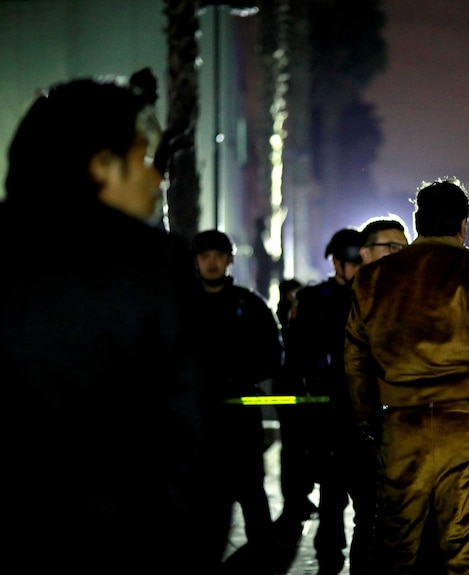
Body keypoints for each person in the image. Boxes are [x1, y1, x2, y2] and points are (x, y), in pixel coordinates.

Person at [1, 76, 218, 573]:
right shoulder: (153, 266)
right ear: (101, 167)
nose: (157, 177)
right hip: (126, 546)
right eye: (143, 158)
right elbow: (193, 445)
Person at [344, 178, 469, 574]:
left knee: (395, 543)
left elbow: (356, 358)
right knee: (463, 543)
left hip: (400, 420)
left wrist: (368, 419)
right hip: (466, 424)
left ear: (417, 222)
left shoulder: (373, 279)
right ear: (463, 224)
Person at [190, 229, 285, 572]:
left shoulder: (250, 304)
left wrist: (239, 377)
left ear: (229, 259)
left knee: (252, 496)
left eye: (218, 255)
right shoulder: (182, 304)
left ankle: (263, 561)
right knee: (201, 503)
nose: (212, 263)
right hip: (197, 420)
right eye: (205, 256)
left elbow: (274, 355)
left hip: (240, 419)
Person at [275, 227, 366, 575]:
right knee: (331, 496)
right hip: (327, 413)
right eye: (352, 261)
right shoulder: (315, 299)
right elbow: (296, 353)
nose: (358, 267)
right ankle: (329, 559)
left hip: (363, 410)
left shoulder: (373, 296)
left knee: (367, 503)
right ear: (337, 262)